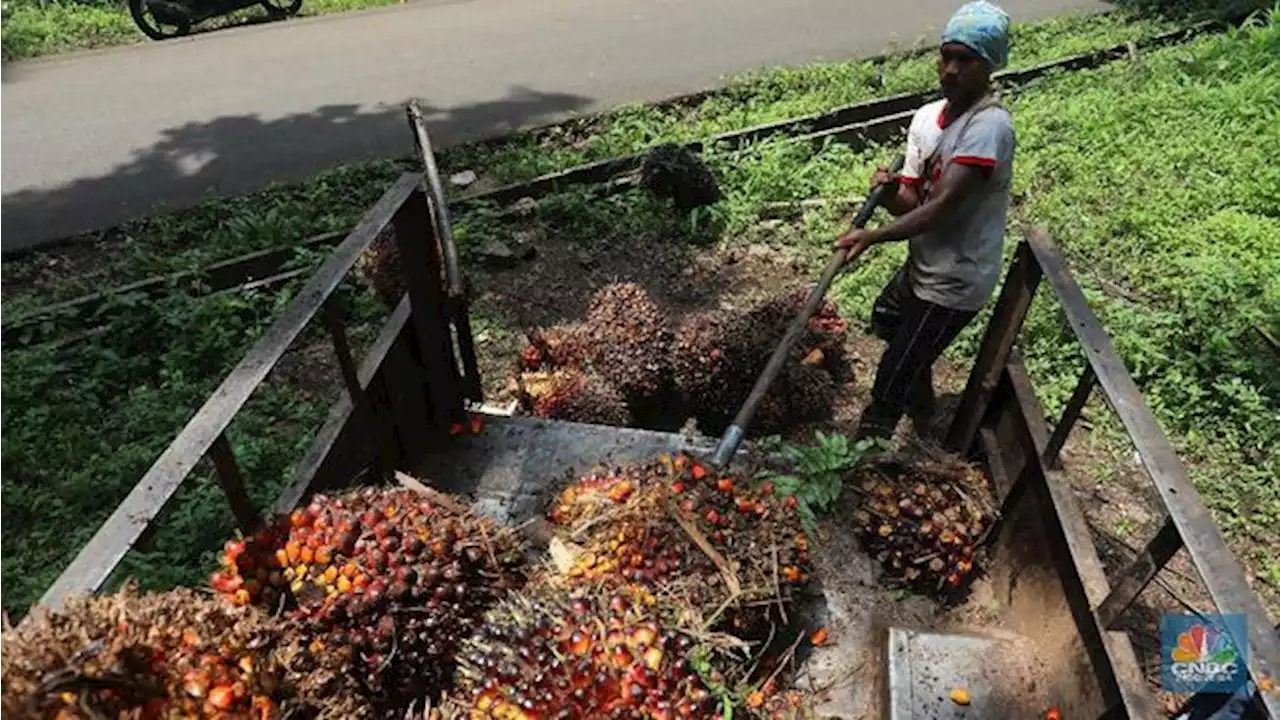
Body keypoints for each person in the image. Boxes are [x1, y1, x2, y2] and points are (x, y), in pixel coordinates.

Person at [835, 0, 1017, 442]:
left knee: (891, 377)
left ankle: (861, 458)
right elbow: (914, 202)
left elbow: (942, 209)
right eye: (946, 55)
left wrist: (874, 236)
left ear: (989, 66)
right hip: (925, 262)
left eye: (966, 60)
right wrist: (891, 190)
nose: (951, 69)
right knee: (886, 317)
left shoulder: (988, 128)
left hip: (956, 279)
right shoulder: (926, 121)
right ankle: (924, 405)